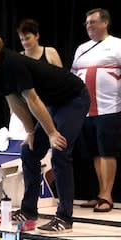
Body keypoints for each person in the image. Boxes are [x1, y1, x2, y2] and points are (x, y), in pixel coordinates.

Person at [0, 30, 90, 234]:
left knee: (60, 151)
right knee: (30, 152)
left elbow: (32, 100)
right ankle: (29, 210)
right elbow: (14, 102)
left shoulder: (13, 63)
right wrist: (31, 132)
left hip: (74, 98)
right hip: (54, 104)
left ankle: (64, 217)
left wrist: (51, 133)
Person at [72, 8, 121, 212]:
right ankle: (98, 193)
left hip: (109, 109)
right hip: (85, 111)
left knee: (107, 152)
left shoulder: (117, 45)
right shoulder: (82, 48)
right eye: (87, 23)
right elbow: (73, 74)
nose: (89, 26)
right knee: (94, 154)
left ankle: (107, 195)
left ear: (105, 23)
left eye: (93, 22)